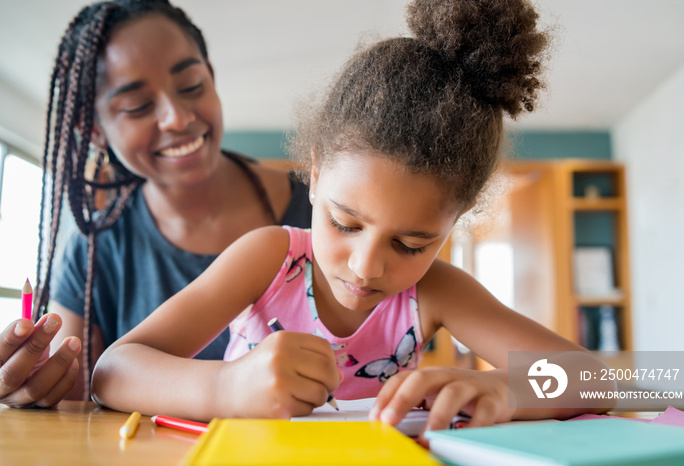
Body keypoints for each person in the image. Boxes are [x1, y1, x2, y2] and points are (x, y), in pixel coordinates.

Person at [91, 0, 600, 437]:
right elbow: (113, 372)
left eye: (411, 245)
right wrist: (225, 386)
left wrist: (504, 388)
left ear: (454, 223)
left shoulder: (436, 292)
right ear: (313, 174)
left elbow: (605, 382)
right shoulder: (269, 257)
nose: (366, 267)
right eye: (346, 223)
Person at [0, 0, 312, 408]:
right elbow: (70, 397)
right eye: (137, 107)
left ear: (212, 78)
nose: (177, 118)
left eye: (191, 86)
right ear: (94, 131)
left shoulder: (325, 210)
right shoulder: (97, 248)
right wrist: (32, 385)